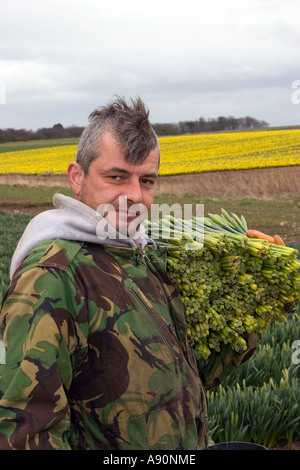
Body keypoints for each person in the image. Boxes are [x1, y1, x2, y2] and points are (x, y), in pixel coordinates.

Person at [0, 96, 258, 450]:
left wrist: (255, 292)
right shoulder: (53, 276)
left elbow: (193, 376)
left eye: (147, 181)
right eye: (117, 176)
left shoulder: (140, 255)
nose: (134, 195)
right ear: (77, 178)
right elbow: (24, 432)